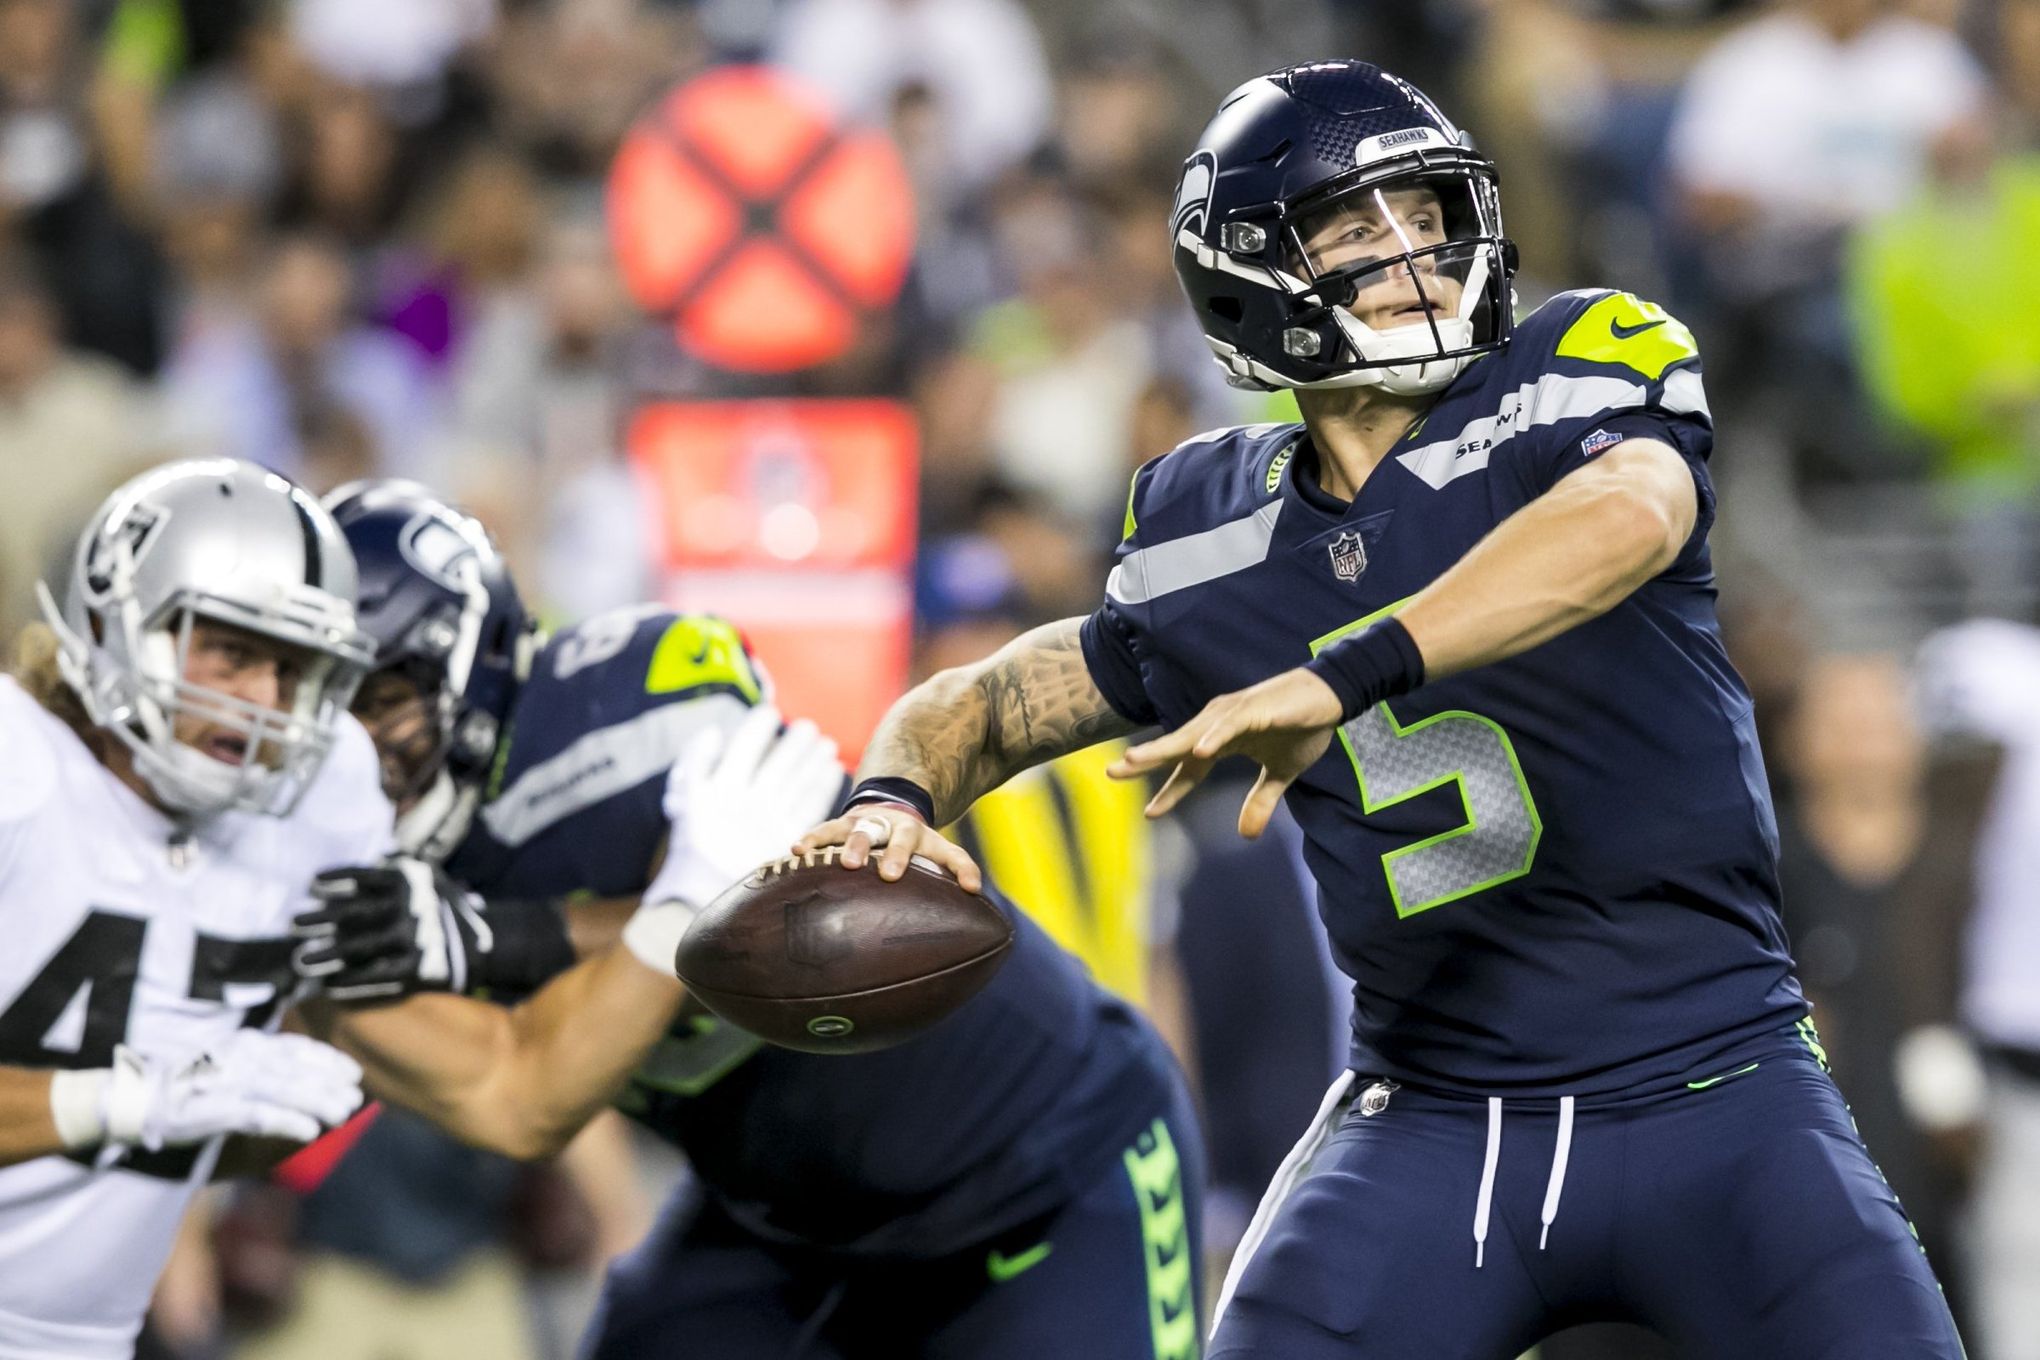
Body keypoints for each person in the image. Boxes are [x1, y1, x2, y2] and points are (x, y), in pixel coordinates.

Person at [797, 60, 1963, 1358]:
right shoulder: (1209, 536)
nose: (1414, 254)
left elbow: (1631, 514)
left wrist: (1347, 668)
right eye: (1359, 230)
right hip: (1437, 1118)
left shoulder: (1571, 369)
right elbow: (994, 703)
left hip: (1723, 1084)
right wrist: (889, 799)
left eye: (1428, 214)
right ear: (1251, 281)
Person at [304, 480, 1205, 1360]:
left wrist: (494, 938)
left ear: (470, 665)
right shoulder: (321, 886)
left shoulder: (619, 719)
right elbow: (525, 1084)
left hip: (1048, 1164)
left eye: (376, 700)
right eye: (320, 704)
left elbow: (779, 920)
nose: (348, 743)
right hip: (787, 1227)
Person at [0, 459, 378, 1359]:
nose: (261, 704)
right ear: (114, 625)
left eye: (293, 671)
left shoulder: (327, 799)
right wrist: (129, 1099)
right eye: (233, 652)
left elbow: (225, 1122)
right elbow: (158, 1108)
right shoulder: (18, 770)